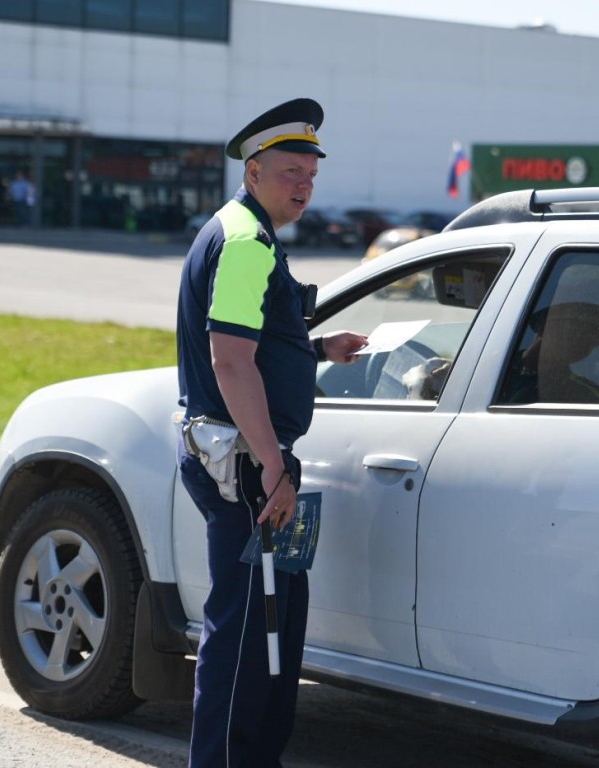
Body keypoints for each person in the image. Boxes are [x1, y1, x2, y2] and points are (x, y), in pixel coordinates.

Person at [176, 97, 366, 768]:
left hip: (255, 461)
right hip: (250, 467)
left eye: (310, 173)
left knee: (273, 626)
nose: (303, 185)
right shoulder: (247, 242)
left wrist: (319, 350)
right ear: (252, 171)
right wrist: (273, 469)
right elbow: (229, 361)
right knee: (247, 637)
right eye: (289, 170)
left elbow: (255, 342)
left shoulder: (241, 232)